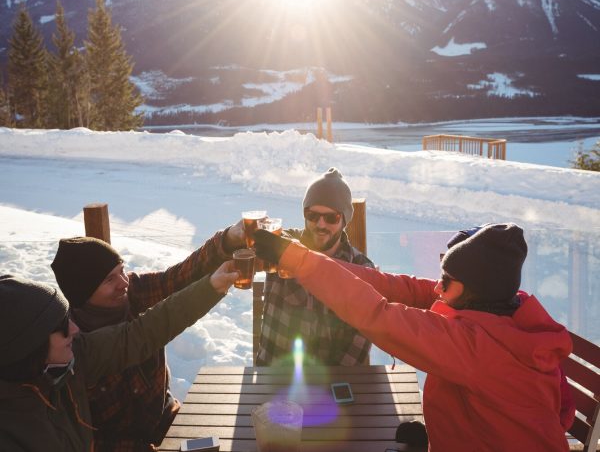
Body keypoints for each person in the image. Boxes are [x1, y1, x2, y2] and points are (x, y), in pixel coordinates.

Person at [254, 222, 575, 451]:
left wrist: (298, 260)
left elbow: (378, 315)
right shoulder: (501, 308)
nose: (436, 287)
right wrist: (304, 258)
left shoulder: (479, 348)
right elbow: (397, 288)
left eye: (445, 281)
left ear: (475, 289)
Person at [0, 264, 237, 452]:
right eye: (61, 326)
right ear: (28, 346)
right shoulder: (12, 430)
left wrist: (210, 287)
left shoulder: (74, 356)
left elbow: (140, 334)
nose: (73, 329)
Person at [49, 231, 240, 451]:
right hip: (121, 446)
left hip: (165, 420)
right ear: (83, 293)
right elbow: (83, 437)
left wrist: (227, 240)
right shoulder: (68, 347)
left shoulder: (133, 292)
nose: (123, 283)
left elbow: (179, 277)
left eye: (122, 270)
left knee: (230, 440)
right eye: (109, 279)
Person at [253, 167, 374, 365]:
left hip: (333, 380)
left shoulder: (361, 268)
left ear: (344, 220)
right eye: (312, 215)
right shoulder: (278, 246)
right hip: (274, 376)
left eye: (331, 218)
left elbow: (357, 347)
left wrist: (334, 382)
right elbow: (246, 249)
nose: (320, 224)